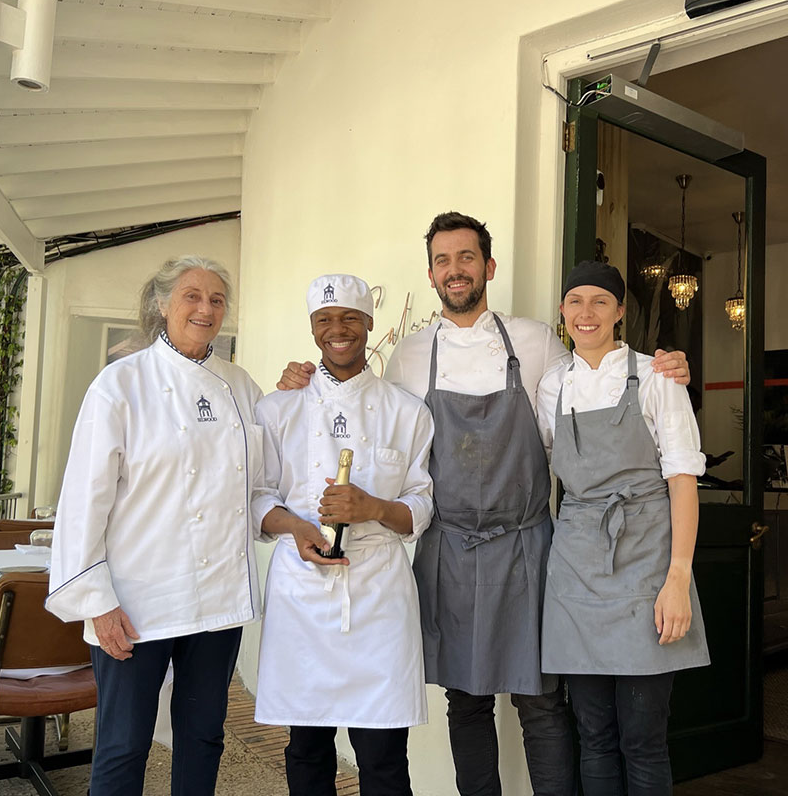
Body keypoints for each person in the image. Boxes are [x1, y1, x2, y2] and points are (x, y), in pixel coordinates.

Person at [277, 212, 690, 796]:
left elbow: (594, 388)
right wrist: (302, 380)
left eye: (466, 257)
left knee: (541, 700)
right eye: (443, 260)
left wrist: (664, 368)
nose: (455, 270)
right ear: (430, 273)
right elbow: (370, 426)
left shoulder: (536, 342)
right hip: (448, 544)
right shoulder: (410, 358)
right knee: (465, 702)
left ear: (488, 266)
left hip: (526, 540)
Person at [46, 255, 265, 796]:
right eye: (191, 296)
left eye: (216, 299)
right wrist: (95, 599)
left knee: (204, 737)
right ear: (162, 305)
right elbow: (82, 503)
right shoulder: (119, 385)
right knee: (123, 745)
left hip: (215, 601)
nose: (205, 308)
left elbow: (259, 484)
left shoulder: (241, 386)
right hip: (136, 602)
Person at [252, 274, 434, 796]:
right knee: (306, 748)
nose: (339, 330)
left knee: (382, 756)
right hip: (303, 596)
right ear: (312, 329)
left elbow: (421, 503)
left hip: (378, 595)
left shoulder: (407, 412)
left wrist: (372, 507)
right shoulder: (277, 409)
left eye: (351, 318)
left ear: (369, 326)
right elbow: (259, 499)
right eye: (325, 320)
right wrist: (297, 526)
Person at [537, 260, 709, 796]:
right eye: (575, 302)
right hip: (576, 567)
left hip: (646, 561)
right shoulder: (550, 386)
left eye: (599, 302)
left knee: (642, 739)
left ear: (618, 312)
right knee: (593, 734)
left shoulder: (658, 376)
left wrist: (677, 579)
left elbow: (682, 479)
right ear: (562, 311)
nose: (586, 314)